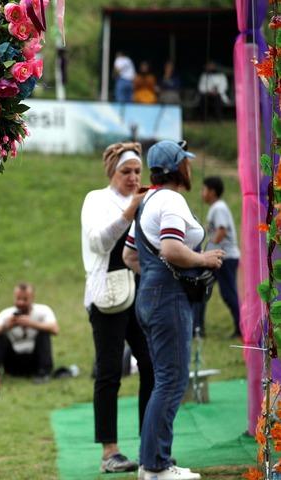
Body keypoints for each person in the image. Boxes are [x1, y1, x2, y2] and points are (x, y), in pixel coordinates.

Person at [123, 140, 224, 479]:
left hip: (150, 297)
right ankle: (155, 466)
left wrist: (155, 277)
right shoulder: (170, 199)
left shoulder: (148, 199)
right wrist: (203, 259)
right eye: (186, 162)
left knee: (164, 381)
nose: (190, 167)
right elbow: (171, 247)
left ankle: (152, 462)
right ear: (178, 167)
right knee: (171, 382)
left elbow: (130, 255)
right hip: (167, 299)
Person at [80, 142, 155, 474]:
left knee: (152, 367)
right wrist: (129, 212)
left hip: (141, 292)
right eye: (127, 171)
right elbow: (98, 242)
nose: (133, 177)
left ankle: (151, 445)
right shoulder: (96, 199)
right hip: (107, 294)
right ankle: (110, 452)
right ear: (112, 171)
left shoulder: (147, 199)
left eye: (138, 171)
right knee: (109, 372)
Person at [194, 176, 241, 338]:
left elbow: (222, 230)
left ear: (212, 192)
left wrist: (210, 244)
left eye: (204, 189)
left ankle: (241, 328)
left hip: (224, 258)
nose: (202, 193)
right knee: (202, 289)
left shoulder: (218, 208)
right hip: (220, 258)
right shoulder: (217, 207)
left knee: (228, 294)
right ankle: (197, 328)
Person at [0, 283, 58, 380]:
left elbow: (55, 329)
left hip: (35, 362)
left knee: (44, 332)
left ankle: (44, 373)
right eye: (18, 299)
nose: (21, 303)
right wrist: (6, 326)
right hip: (12, 363)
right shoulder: (6, 314)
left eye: (25, 299)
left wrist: (32, 324)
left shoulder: (43, 310)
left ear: (32, 298)